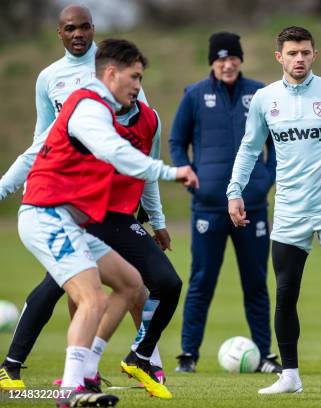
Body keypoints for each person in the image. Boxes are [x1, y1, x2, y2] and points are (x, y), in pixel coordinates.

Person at [16, 38, 197, 407]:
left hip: (76, 218)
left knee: (131, 286)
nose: (138, 85)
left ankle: (85, 377)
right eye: (134, 77)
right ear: (111, 74)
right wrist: (172, 171)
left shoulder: (115, 110)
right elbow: (115, 153)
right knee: (92, 298)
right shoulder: (88, 108)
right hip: (47, 214)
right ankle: (71, 389)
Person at [227, 26, 321, 395]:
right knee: (286, 292)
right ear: (279, 57)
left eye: (306, 53)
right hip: (291, 210)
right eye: (292, 53)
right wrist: (235, 192)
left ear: (314, 54)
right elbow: (249, 149)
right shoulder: (265, 99)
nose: (299, 59)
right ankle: (290, 376)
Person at [169, 32, 280, 374]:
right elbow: (176, 142)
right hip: (209, 208)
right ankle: (188, 355)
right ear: (211, 63)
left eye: (233, 58)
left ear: (240, 60)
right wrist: (189, 175)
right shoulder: (195, 95)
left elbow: (277, 142)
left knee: (256, 282)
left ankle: (265, 355)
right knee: (201, 281)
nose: (227, 64)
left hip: (253, 207)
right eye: (220, 59)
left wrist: (266, 179)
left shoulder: (260, 94)